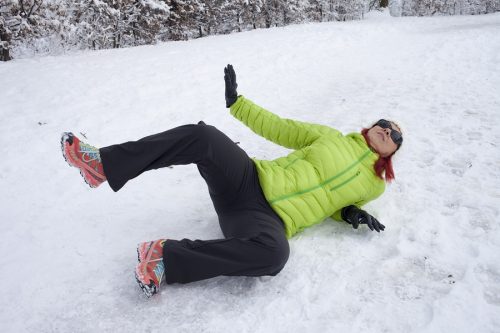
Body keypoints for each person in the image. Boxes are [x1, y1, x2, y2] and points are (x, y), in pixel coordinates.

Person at [60, 64, 403, 298]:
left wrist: (349, 213)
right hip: (249, 180)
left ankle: (165, 256)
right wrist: (237, 103)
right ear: (371, 125)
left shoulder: (373, 184)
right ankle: (102, 165)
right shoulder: (330, 137)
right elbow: (281, 127)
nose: (385, 131)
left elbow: (333, 199)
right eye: (383, 124)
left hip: (265, 221)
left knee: (275, 255)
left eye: (393, 135)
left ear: (392, 153)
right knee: (204, 136)